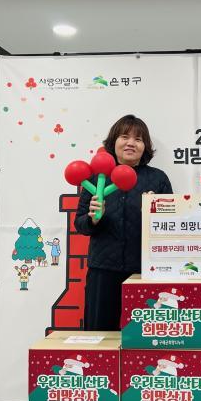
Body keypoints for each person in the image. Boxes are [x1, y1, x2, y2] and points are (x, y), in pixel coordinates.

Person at [75, 114, 173, 331]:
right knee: (99, 333)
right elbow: (79, 224)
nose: (131, 143)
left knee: (145, 333)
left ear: (145, 147)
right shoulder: (96, 179)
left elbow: (171, 227)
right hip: (103, 269)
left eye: (138, 139)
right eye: (124, 137)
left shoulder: (158, 179)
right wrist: (93, 219)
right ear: (114, 141)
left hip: (145, 270)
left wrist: (155, 212)